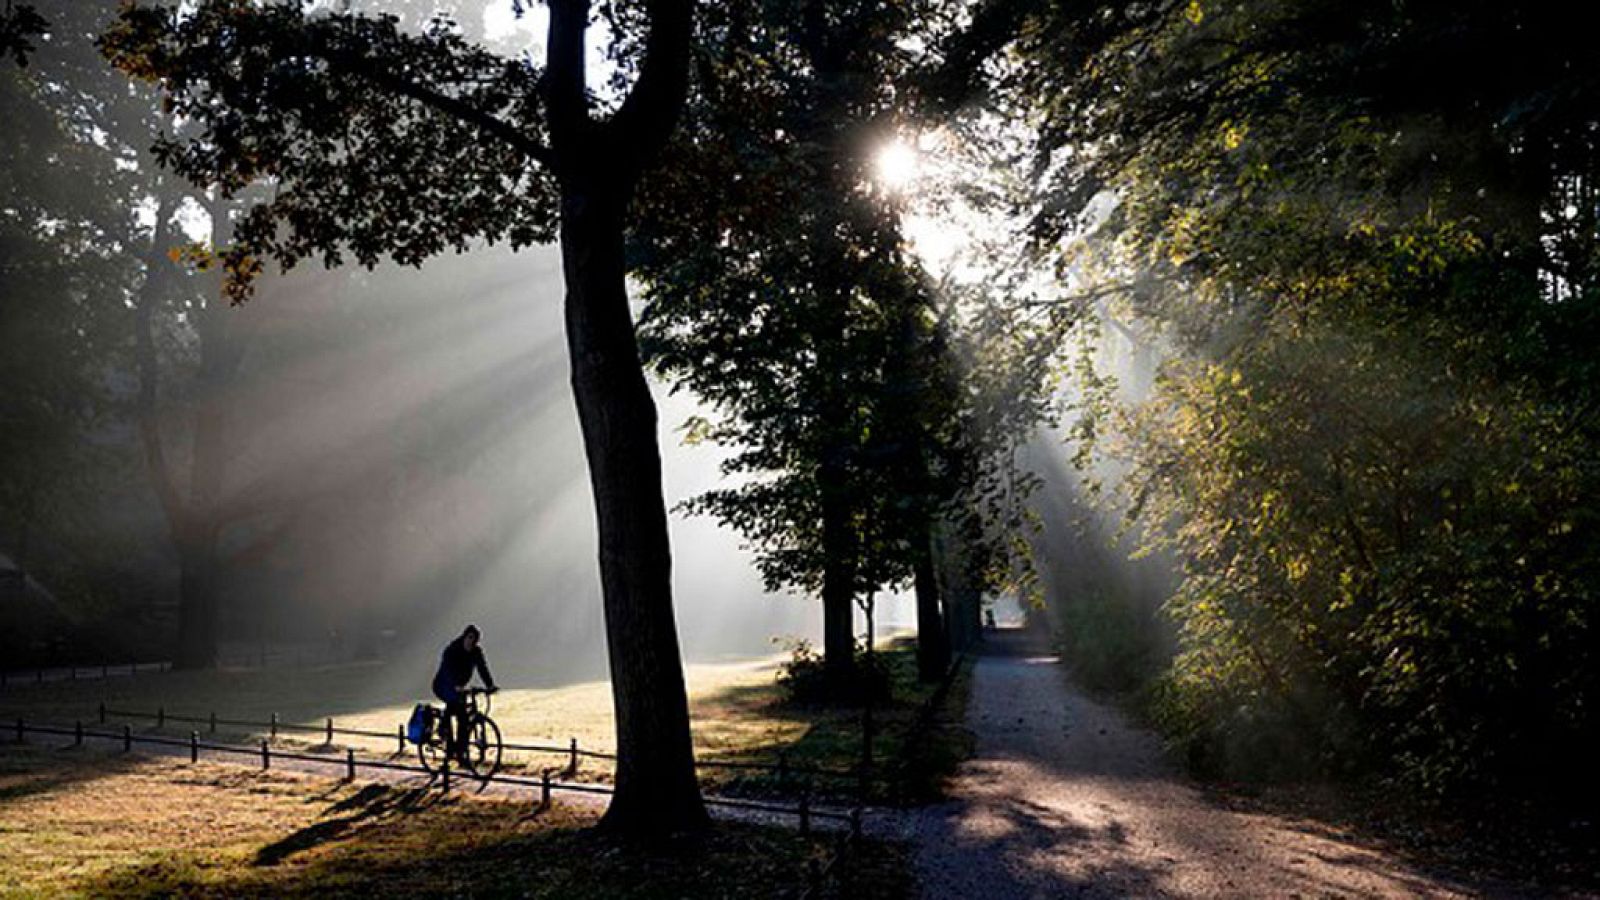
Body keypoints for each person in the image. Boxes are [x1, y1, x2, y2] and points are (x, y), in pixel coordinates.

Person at [432, 624, 497, 763]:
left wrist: (490, 685)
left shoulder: (476, 652)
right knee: (456, 707)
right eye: (470, 638)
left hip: (459, 686)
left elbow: (482, 668)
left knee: (464, 719)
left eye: (474, 640)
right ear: (464, 637)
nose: (471, 643)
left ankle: (461, 752)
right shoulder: (452, 650)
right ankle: (448, 740)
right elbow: (447, 670)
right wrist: (455, 685)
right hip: (443, 684)